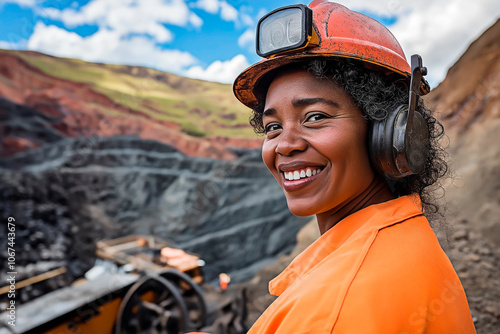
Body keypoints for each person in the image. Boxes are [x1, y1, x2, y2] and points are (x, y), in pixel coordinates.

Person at [230, 0, 476, 333]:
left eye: (315, 117)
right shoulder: (402, 240)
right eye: (273, 127)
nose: (285, 144)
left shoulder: (335, 307)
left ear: (391, 133)